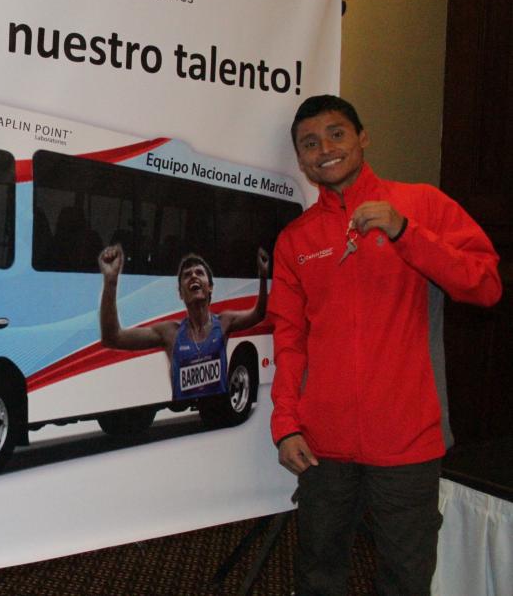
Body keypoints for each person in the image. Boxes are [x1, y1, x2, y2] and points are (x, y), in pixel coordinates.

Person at [269, 95, 502, 595]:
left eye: (337, 134)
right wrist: (286, 423)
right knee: (318, 573)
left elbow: (485, 284)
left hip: (408, 440)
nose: (325, 149)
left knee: (405, 576)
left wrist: (405, 233)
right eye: (310, 143)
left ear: (362, 138)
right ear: (301, 160)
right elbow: (289, 341)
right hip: (323, 444)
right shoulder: (296, 239)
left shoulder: (420, 206)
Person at [99, 244, 269, 403]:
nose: (193, 276)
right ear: (181, 293)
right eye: (187, 275)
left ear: (210, 287)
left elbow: (259, 314)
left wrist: (263, 276)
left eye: (199, 273)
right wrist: (111, 281)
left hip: (216, 414)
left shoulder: (224, 321)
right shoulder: (170, 333)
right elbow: (113, 338)